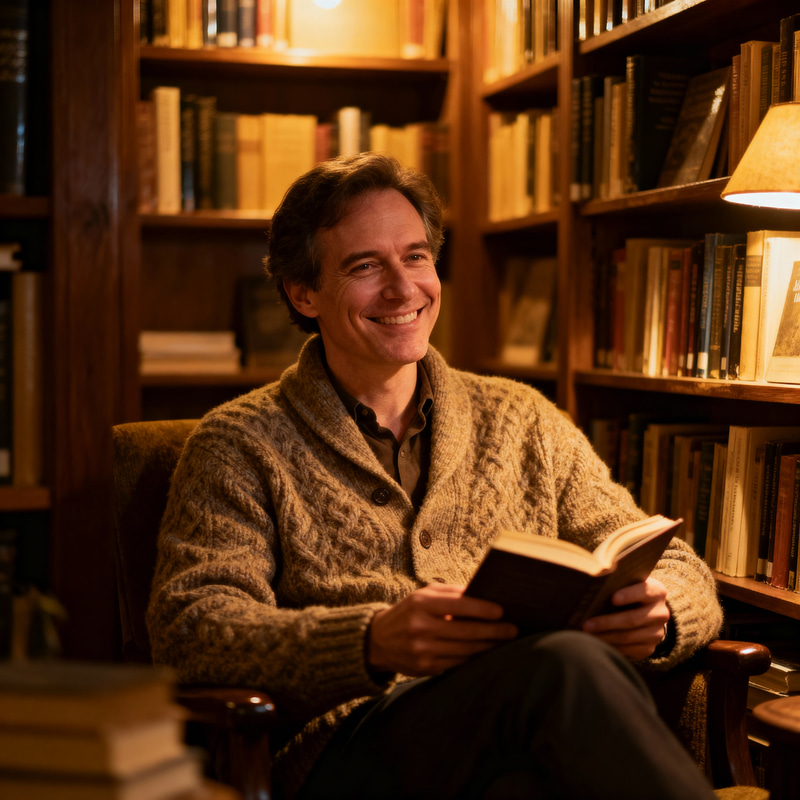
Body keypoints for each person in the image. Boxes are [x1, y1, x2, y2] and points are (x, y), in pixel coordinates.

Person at [147, 153, 723, 800]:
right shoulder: (238, 442)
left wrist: (662, 613)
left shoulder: (522, 416)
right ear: (302, 293)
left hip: (517, 737)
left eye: (416, 257)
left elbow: (671, 559)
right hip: (352, 753)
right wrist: (368, 642)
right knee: (562, 668)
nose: (403, 288)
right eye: (366, 266)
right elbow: (189, 628)